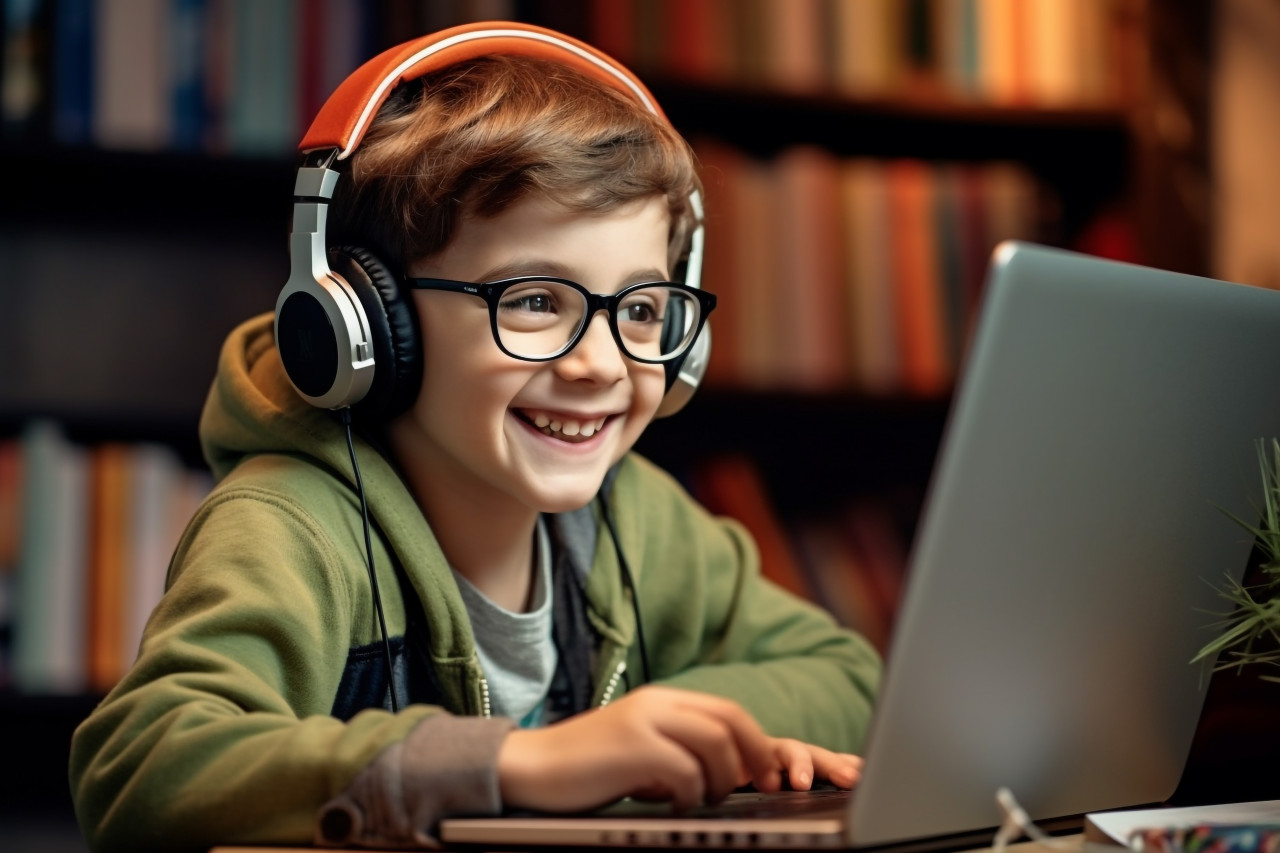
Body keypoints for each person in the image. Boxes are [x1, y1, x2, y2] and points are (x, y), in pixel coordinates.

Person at [69, 21, 882, 853]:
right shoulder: (294, 526)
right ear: (371, 324)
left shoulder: (636, 518)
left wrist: (696, 737)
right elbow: (144, 764)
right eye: (533, 300)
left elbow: (848, 676)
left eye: (640, 310)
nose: (601, 364)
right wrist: (521, 763)